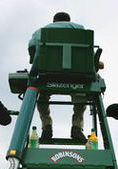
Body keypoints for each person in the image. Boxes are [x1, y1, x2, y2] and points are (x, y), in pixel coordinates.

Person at [28, 12, 87, 142]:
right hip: (77, 77)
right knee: (81, 97)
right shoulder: (80, 29)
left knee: (42, 97)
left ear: (54, 21)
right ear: (69, 20)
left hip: (48, 76)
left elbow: (32, 49)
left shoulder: (41, 31)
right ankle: (77, 127)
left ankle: (46, 126)